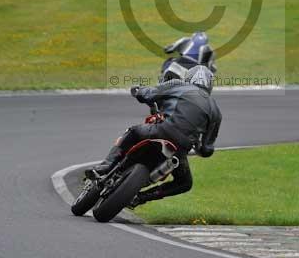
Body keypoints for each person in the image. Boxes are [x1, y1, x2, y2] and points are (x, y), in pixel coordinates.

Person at [86, 65, 222, 207]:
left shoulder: (178, 84)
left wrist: (138, 90)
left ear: (188, 77)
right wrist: (197, 146)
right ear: (210, 84)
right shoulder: (215, 111)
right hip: (180, 149)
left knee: (132, 132)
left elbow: (148, 94)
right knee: (184, 183)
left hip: (160, 130)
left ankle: (105, 167)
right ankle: (141, 197)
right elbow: (207, 149)